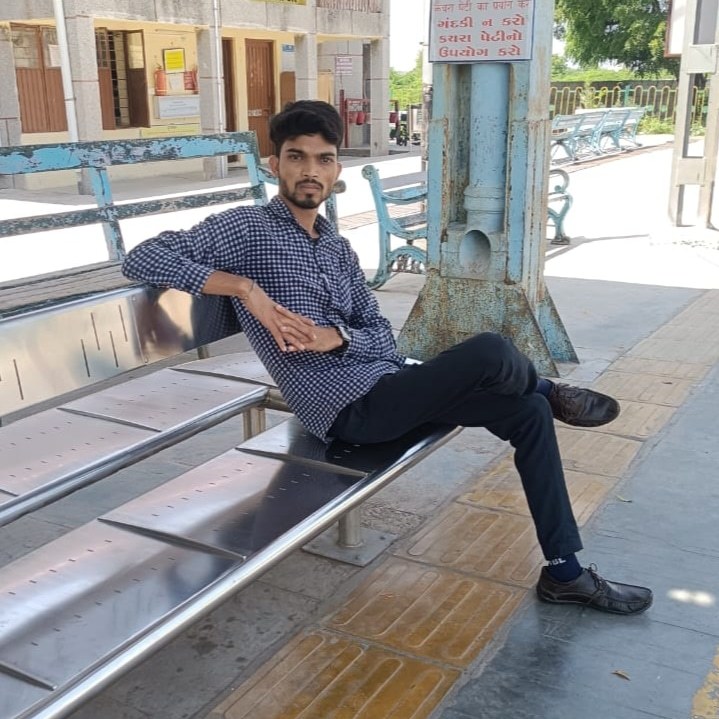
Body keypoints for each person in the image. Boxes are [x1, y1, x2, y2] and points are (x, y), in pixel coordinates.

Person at [123, 100, 652, 616]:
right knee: (492, 351)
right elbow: (142, 257)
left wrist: (337, 338)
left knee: (528, 414)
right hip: (349, 413)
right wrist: (245, 289)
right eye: (296, 157)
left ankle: (564, 572)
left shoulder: (337, 248)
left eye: (324, 159)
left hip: (390, 388)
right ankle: (550, 389)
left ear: (337, 170)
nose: (310, 171)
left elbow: (381, 335)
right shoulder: (246, 229)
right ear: (274, 164)